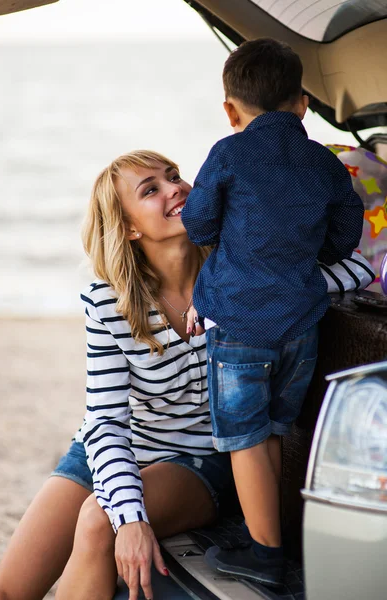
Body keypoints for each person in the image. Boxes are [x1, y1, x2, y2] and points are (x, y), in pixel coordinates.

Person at [0, 150, 235, 600]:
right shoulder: (109, 303)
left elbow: (334, 273)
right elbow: (105, 421)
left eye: (174, 176)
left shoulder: (234, 271)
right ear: (129, 228)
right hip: (114, 448)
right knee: (6, 592)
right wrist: (133, 516)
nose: (174, 188)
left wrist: (128, 520)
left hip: (198, 458)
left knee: (99, 520)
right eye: (151, 189)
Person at [181, 38, 364, 587]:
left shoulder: (228, 152)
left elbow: (198, 224)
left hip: (239, 325)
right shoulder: (322, 162)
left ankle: (264, 556)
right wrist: (313, 251)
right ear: (302, 103)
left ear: (231, 110)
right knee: (274, 432)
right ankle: (270, 535)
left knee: (243, 438)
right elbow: (344, 233)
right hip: (300, 326)